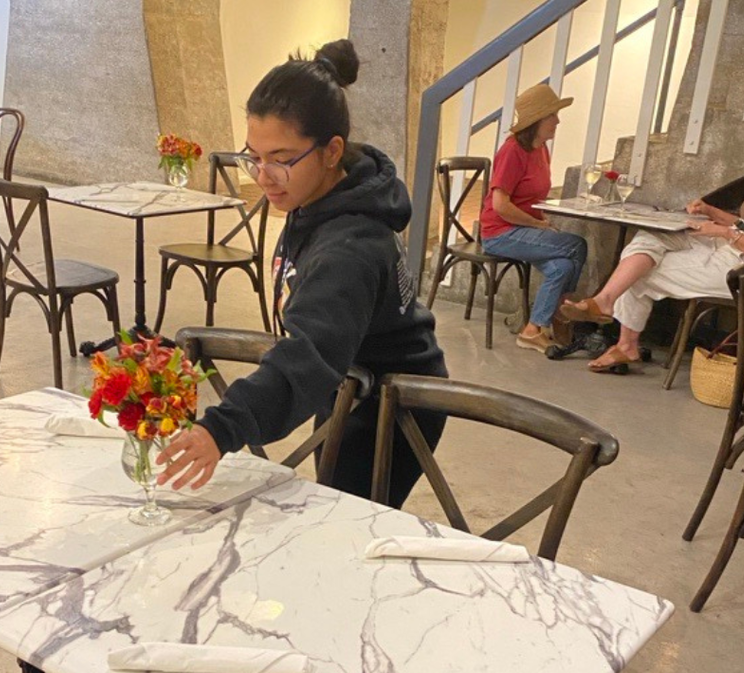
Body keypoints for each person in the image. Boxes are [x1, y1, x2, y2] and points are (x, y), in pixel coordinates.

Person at [156, 39, 448, 508]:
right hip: (349, 378)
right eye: (254, 156)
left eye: (281, 158)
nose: (263, 176)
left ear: (332, 151)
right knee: (333, 504)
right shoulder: (318, 198)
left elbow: (308, 358)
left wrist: (221, 428)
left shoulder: (351, 249)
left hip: (394, 406)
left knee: (349, 522)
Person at [563, 108, 744, 371]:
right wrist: (711, 212)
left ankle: (625, 342)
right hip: (734, 249)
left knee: (636, 271)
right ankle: (606, 303)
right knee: (650, 237)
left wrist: (724, 232)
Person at [479, 83, 587, 354]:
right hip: (500, 232)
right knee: (577, 245)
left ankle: (533, 329)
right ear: (537, 120)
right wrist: (539, 224)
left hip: (523, 230)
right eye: (552, 115)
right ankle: (563, 315)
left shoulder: (541, 149)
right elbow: (500, 205)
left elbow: (532, 195)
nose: (557, 121)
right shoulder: (512, 150)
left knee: (562, 267)